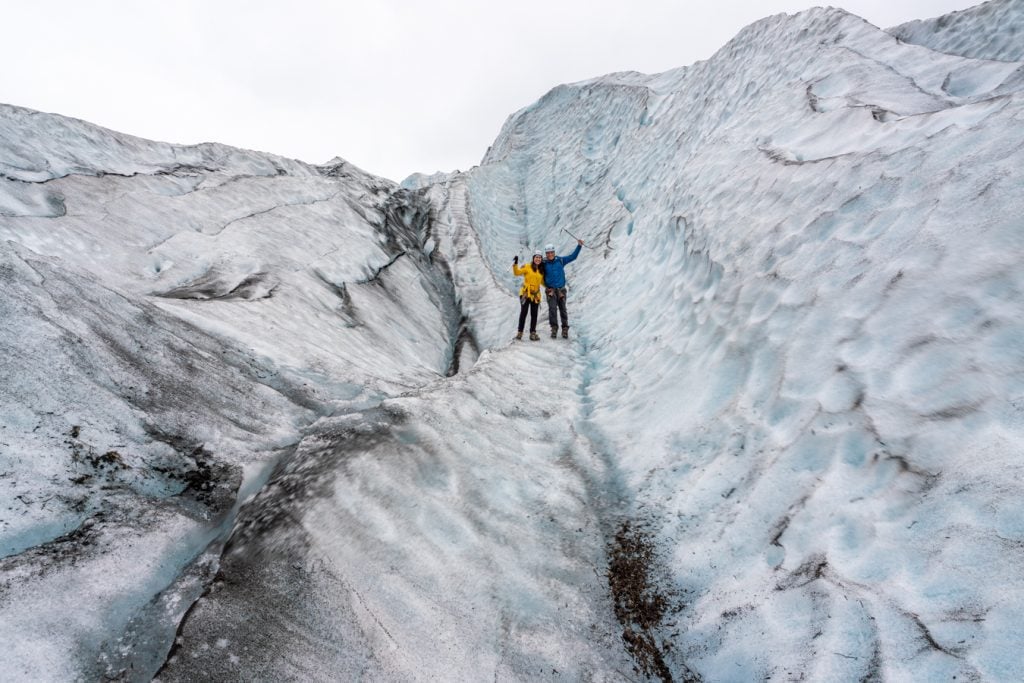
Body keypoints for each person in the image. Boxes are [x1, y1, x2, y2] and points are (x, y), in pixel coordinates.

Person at [543, 239, 583, 338]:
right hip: (550, 290)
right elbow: (534, 265)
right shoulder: (543, 264)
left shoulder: (560, 260)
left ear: (554, 252)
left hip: (561, 290)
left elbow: (573, 257)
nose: (550, 254)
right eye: (548, 253)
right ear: (546, 254)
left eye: (551, 252)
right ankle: (554, 328)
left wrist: (579, 246)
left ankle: (565, 328)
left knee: (563, 309)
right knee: (552, 309)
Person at [512, 250, 545, 340]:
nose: (538, 259)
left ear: (541, 259)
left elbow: (542, 282)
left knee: (534, 314)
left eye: (539, 258)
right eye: (536, 257)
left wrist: (550, 287)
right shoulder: (527, 267)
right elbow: (517, 273)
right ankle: (520, 332)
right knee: (524, 313)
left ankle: (532, 332)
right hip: (525, 294)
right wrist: (515, 263)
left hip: (535, 295)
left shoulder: (541, 271)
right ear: (533, 258)